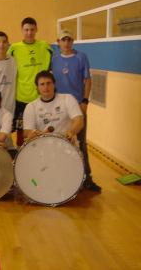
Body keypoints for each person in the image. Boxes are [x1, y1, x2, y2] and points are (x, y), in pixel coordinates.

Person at [51, 29, 101, 192]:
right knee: (60, 142)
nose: (66, 43)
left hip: (77, 107)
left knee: (81, 144)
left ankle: (87, 178)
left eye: (69, 40)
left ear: (72, 41)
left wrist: (85, 101)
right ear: (58, 41)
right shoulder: (54, 59)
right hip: (59, 108)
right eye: (63, 40)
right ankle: (61, 177)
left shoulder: (81, 57)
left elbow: (87, 80)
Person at [8, 17, 53, 145]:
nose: (29, 32)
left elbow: (53, 66)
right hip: (21, 98)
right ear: (22, 30)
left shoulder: (45, 46)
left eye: (32, 29)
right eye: (26, 30)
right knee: (22, 133)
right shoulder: (14, 48)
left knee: (41, 131)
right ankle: (20, 160)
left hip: (40, 99)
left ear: (36, 29)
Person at [23, 71, 83, 143]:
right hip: (42, 146)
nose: (46, 87)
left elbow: (79, 120)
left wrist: (71, 132)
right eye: (42, 84)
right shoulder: (31, 106)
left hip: (67, 145)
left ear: (54, 84)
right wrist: (34, 133)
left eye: (48, 83)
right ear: (37, 88)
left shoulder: (67, 98)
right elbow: (26, 131)